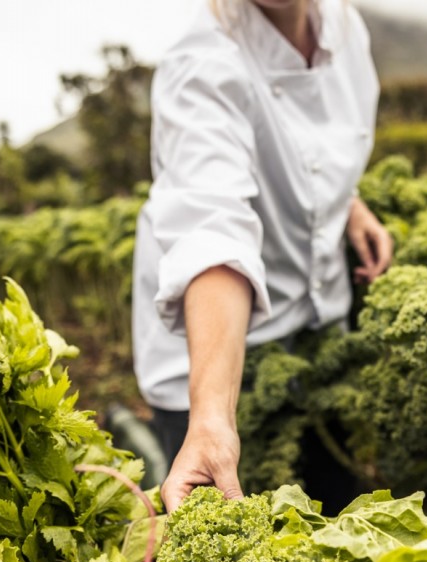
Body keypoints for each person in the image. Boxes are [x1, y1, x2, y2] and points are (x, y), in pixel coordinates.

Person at [132, 0, 393, 514]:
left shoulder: (343, 26)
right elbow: (213, 229)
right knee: (231, 551)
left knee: (334, 500)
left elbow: (316, 144)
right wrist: (210, 418)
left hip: (312, 324)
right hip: (210, 346)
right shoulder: (202, 63)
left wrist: (348, 203)